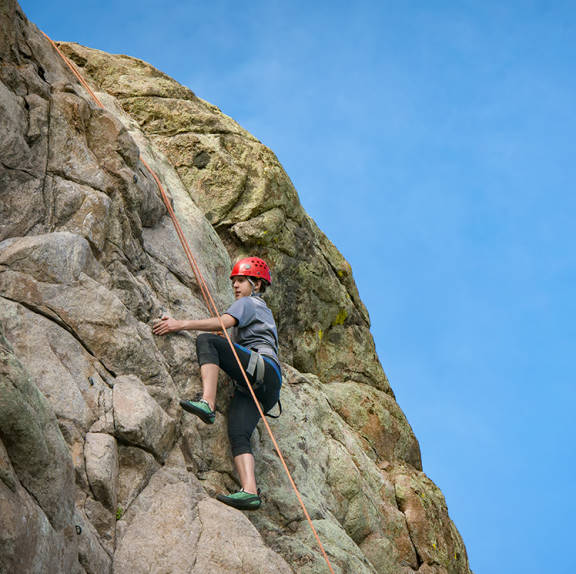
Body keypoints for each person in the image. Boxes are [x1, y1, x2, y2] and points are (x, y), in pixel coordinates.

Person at [152, 257, 282, 510]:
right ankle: (250, 491)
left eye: (241, 281)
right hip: (264, 386)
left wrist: (180, 324)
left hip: (261, 368)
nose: (235, 286)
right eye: (234, 281)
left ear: (256, 284)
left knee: (207, 341)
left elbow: (223, 322)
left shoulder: (249, 302)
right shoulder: (258, 310)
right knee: (238, 432)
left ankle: (207, 403)